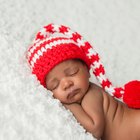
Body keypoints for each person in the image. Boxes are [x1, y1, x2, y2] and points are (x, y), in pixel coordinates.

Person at [27, 23, 140, 140]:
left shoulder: (91, 94)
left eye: (72, 72)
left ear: (87, 70)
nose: (66, 84)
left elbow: (95, 129)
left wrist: (68, 106)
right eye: (54, 85)